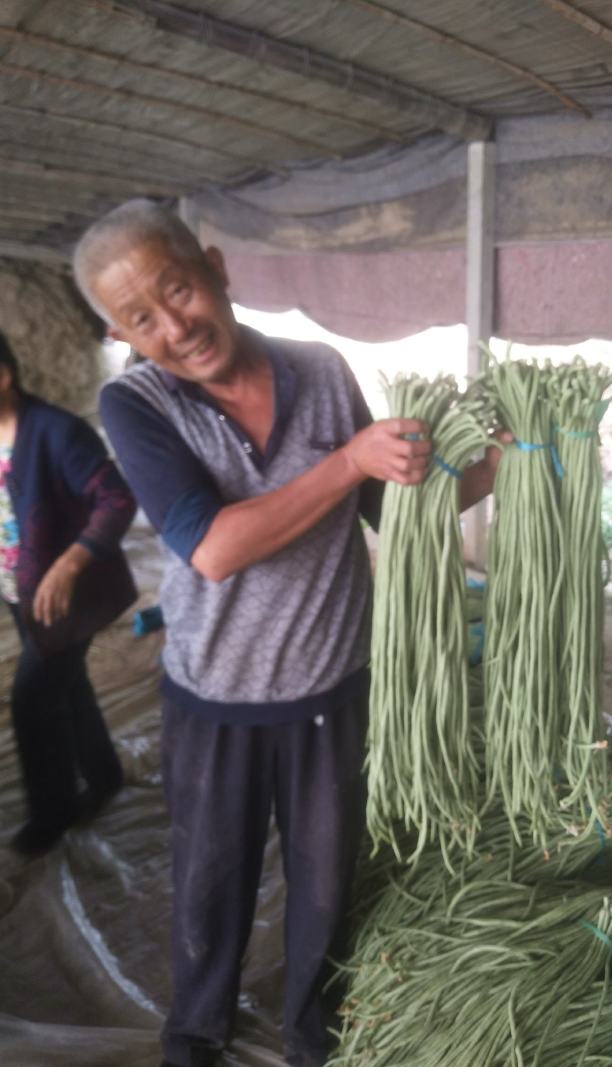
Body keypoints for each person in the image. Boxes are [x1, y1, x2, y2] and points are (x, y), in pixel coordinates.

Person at [73, 199, 502, 1067]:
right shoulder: (138, 405)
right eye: (140, 320)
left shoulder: (321, 368)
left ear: (217, 268)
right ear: (121, 334)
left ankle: (312, 1031)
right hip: (216, 700)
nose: (173, 326)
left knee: (323, 880)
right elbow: (215, 548)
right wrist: (347, 460)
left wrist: (494, 463)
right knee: (211, 883)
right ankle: (194, 1035)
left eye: (178, 290)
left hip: (330, 688)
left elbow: (387, 504)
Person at [0, 330, 137, 856]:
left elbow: (116, 500)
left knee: (32, 700)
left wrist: (68, 565)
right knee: (66, 682)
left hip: (68, 596)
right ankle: (104, 775)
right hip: (22, 591)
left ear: (4, 375)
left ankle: (52, 813)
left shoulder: (57, 432)